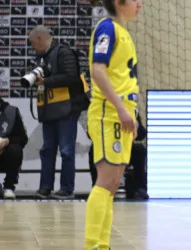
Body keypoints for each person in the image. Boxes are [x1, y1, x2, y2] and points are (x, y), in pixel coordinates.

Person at [84, 0, 142, 249]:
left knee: (113, 183)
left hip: (122, 111)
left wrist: (131, 112)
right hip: (109, 112)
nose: (140, 3)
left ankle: (102, 244)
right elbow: (97, 71)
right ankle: (93, 245)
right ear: (119, 3)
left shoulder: (122, 31)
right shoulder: (106, 28)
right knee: (106, 181)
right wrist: (120, 108)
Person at [28, 25, 89, 199]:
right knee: (47, 150)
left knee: (66, 151)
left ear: (40, 38)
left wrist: (45, 81)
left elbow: (71, 77)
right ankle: (45, 188)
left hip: (66, 109)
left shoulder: (64, 52)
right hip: (49, 110)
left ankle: (66, 189)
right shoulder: (41, 57)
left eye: (33, 43)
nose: (32, 48)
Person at [88, 114, 148, 200]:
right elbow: (90, 134)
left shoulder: (129, 110)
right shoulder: (101, 110)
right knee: (94, 149)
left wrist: (135, 126)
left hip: (123, 147)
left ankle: (139, 188)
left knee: (139, 150)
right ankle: (97, 186)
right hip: (107, 147)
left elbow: (142, 134)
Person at [0, 97, 28, 199]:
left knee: (15, 149)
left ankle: (9, 187)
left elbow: (23, 139)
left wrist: (7, 140)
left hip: (4, 156)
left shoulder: (11, 112)